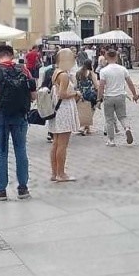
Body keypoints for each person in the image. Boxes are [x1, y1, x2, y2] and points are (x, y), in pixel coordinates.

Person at [0, 44, 36, 200]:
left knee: (1, 153)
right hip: (20, 115)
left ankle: (0, 190)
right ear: (12, 55)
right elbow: (33, 96)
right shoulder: (24, 70)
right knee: (21, 150)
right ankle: (23, 189)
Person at [48, 48, 80, 182]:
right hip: (64, 110)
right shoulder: (64, 75)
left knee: (56, 143)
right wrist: (76, 94)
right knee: (62, 144)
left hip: (57, 110)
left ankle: (55, 173)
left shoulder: (56, 72)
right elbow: (62, 94)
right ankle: (61, 173)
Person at [97, 49, 138, 147]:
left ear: (106, 57)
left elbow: (101, 86)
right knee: (122, 116)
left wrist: (99, 99)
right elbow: (130, 82)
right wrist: (134, 94)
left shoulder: (103, 71)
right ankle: (127, 128)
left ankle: (111, 140)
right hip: (120, 96)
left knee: (109, 119)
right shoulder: (122, 69)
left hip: (109, 96)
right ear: (116, 57)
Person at [75, 60, 99, 135]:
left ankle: (86, 127)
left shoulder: (78, 73)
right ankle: (86, 127)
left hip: (81, 95)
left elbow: (76, 85)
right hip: (90, 94)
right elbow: (96, 85)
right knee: (91, 110)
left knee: (82, 110)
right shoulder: (91, 73)